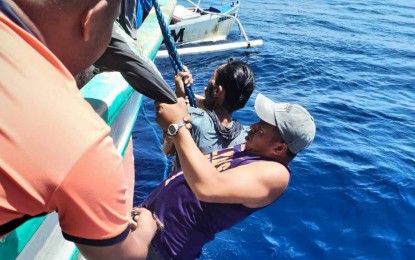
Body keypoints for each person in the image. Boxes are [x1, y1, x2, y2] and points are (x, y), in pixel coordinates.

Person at [0, 0, 161, 258]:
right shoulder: (80, 141)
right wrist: (147, 228)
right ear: (91, 20)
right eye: (112, 23)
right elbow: (125, 257)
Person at [136, 93, 316, 259]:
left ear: (279, 148)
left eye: (260, 128)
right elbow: (218, 122)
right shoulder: (249, 147)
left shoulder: (276, 174)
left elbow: (207, 187)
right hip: (145, 224)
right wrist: (182, 98)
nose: (252, 127)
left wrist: (177, 127)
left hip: (161, 249)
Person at [165, 60, 256, 156]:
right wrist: (188, 94)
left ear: (217, 91)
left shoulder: (191, 119)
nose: (205, 89)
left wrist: (179, 94)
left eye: (211, 81)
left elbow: (168, 150)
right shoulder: (247, 136)